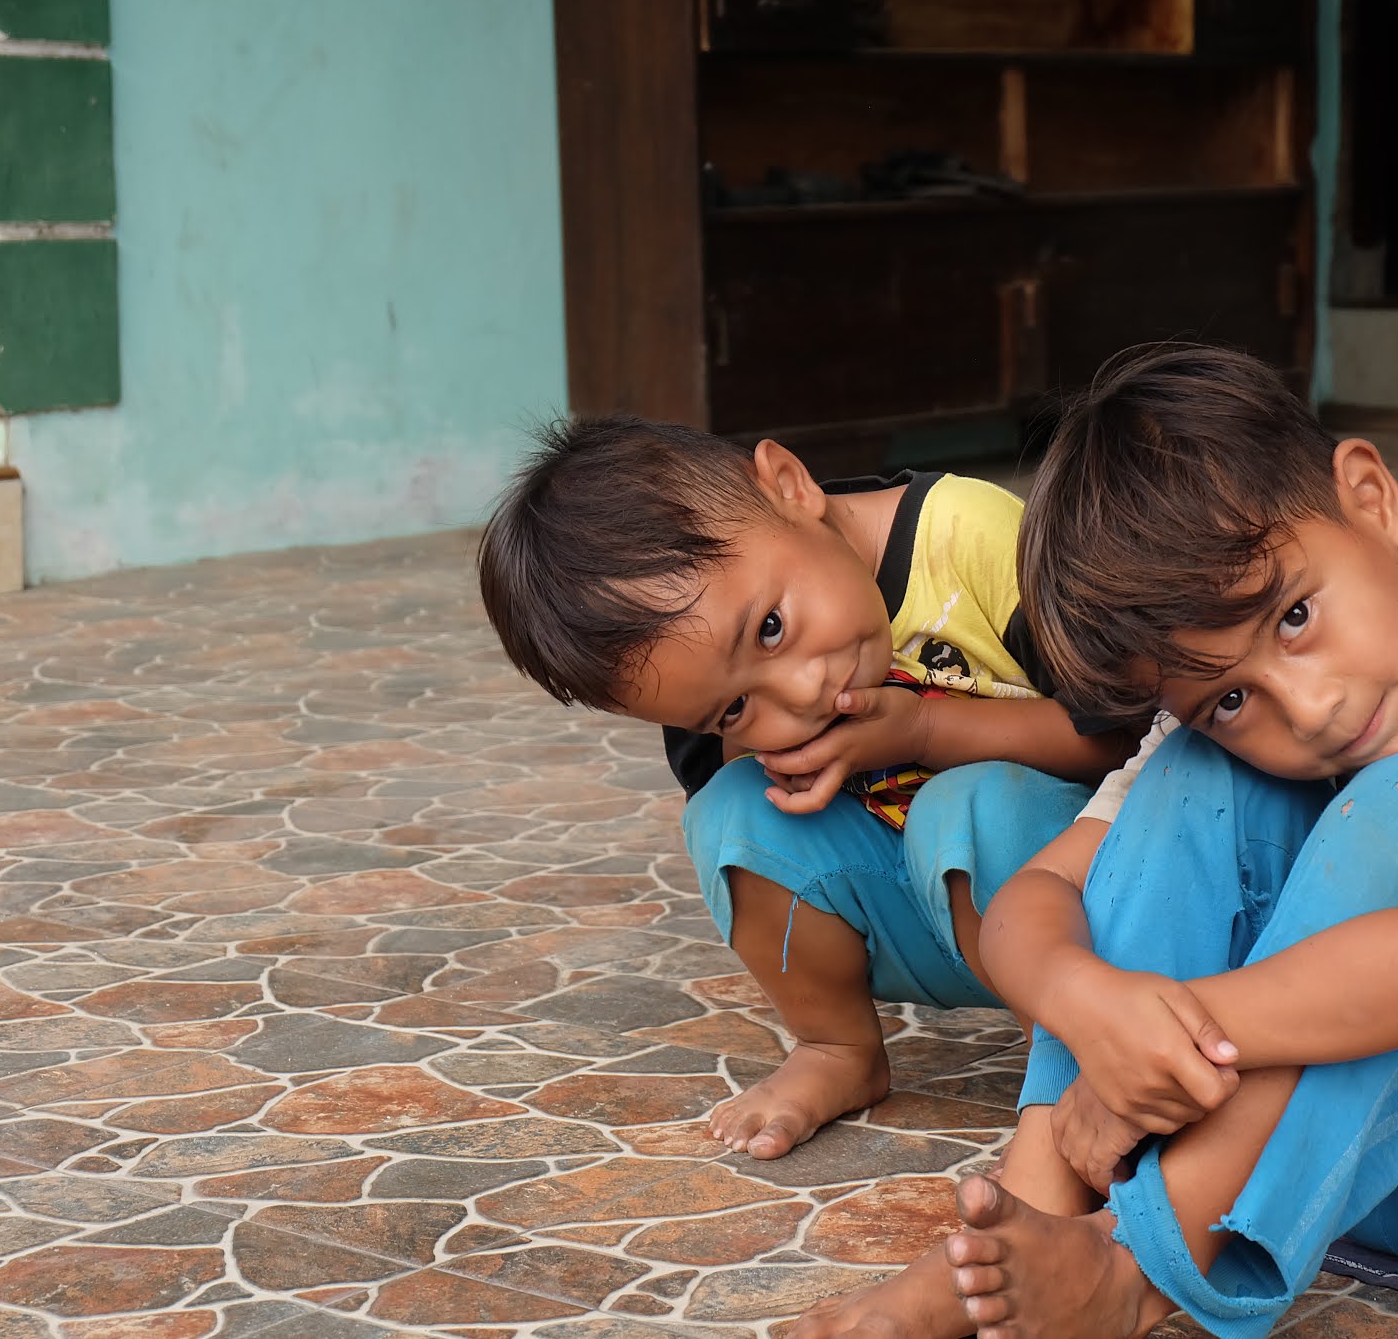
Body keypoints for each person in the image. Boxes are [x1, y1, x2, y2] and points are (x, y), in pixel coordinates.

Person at [792, 345, 1398, 1339]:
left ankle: (1136, 1270)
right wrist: (1097, 1005)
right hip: (1346, 1174)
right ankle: (1034, 1207)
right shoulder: (1231, 725)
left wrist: (1176, 1026)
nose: (1306, 707)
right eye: (1229, 695)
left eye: (1295, 615)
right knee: (1197, 775)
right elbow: (1036, 900)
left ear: (1370, 498)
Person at [477, 415, 1135, 1162]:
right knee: (733, 812)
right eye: (734, 707)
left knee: (968, 805)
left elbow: (1136, 736)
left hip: (1094, 905)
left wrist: (926, 731)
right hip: (937, 922)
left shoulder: (971, 536)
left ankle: (1080, 1064)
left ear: (791, 487)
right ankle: (837, 1048)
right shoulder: (708, 679)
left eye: (769, 629)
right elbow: (753, 821)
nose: (799, 695)